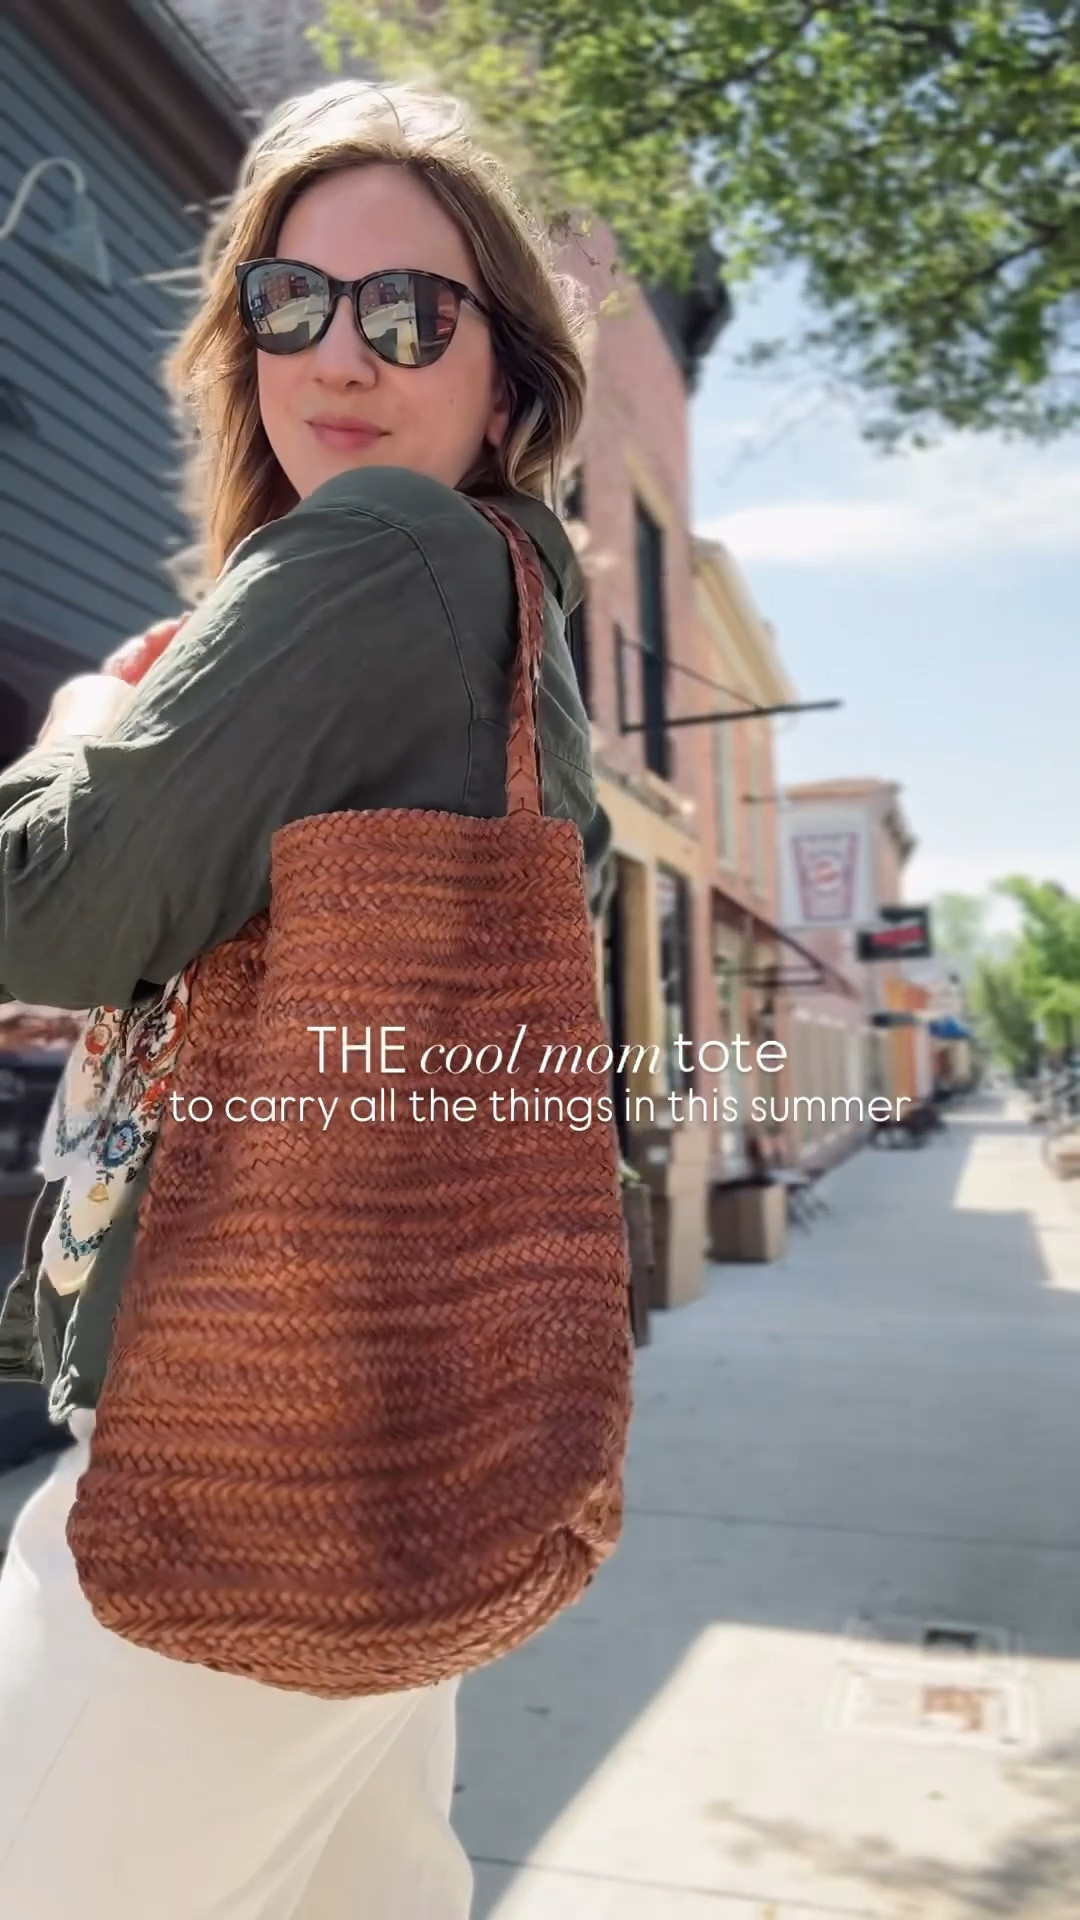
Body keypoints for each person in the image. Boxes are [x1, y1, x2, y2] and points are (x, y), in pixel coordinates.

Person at [0, 80, 613, 1919]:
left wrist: (84, 728)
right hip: (413, 1462)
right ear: (239, 336)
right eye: (294, 302)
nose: (345, 352)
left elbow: (46, 913)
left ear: (505, 380)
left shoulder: (386, 553)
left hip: (238, 1480)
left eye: (413, 311)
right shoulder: (504, 598)